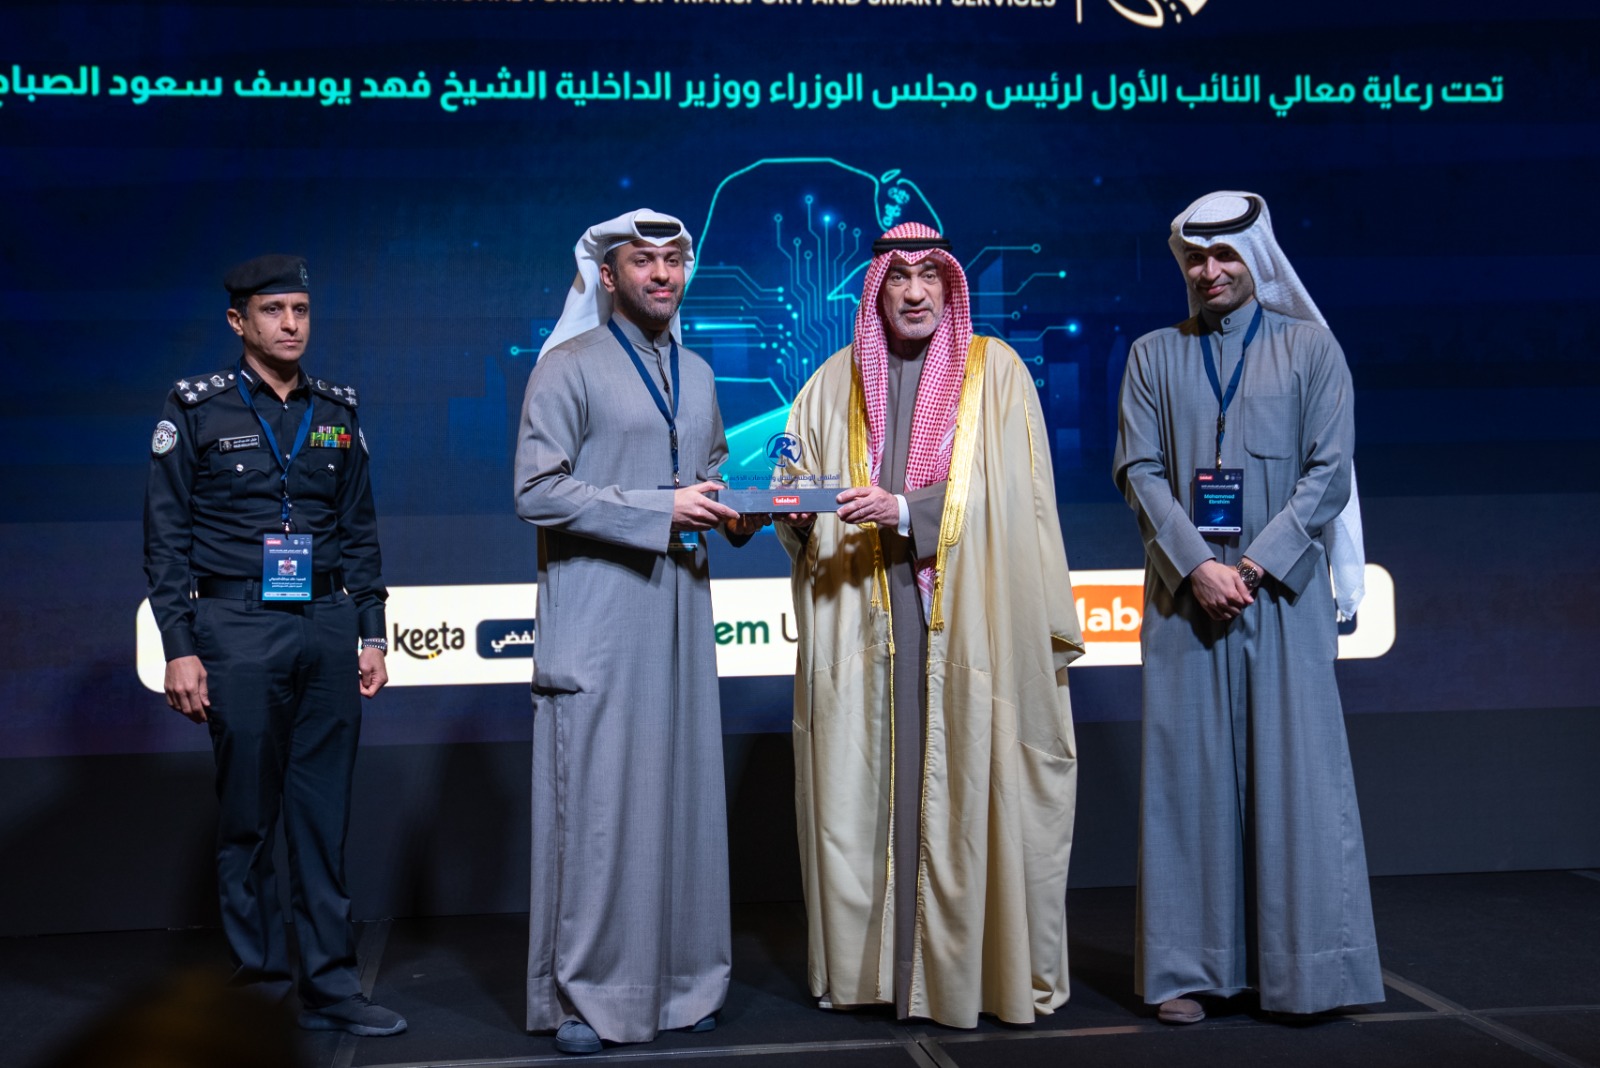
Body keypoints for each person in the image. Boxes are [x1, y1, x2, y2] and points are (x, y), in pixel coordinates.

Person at [775, 221, 1085, 1028]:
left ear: (951, 285)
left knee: (966, 782)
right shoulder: (831, 383)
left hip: (968, 617)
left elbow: (1015, 500)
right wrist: (791, 519)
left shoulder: (997, 374)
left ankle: (965, 977)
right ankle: (875, 975)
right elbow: (796, 488)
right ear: (874, 291)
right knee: (867, 792)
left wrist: (907, 509)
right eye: (897, 278)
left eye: (928, 276)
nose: (913, 292)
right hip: (863, 619)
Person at [1113, 191, 1384, 1024]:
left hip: (1284, 597)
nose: (1209, 271)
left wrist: (1256, 564)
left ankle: (1304, 972)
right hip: (1184, 600)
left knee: (1297, 782)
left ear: (1256, 258)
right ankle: (1187, 973)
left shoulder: (1311, 350)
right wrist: (1198, 566)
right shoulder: (1154, 355)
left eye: (1226, 255)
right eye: (1196, 258)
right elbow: (1138, 471)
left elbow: (1329, 472)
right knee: (1186, 784)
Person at [514, 209, 757, 1055]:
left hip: (682, 611)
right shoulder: (567, 365)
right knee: (602, 811)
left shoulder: (700, 371)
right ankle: (586, 998)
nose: (662, 274)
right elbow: (536, 491)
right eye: (643, 260)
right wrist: (662, 508)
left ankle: (684, 985)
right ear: (608, 276)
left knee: (685, 799)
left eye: (674, 260)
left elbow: (709, 476)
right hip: (599, 616)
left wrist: (738, 512)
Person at [143, 255, 404, 1037]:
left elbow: (359, 530)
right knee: (250, 821)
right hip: (237, 626)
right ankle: (258, 996)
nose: (291, 324)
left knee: (322, 819)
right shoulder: (195, 407)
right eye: (272, 311)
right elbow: (166, 541)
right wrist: (180, 646)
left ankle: (330, 988)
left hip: (326, 622)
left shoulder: (337, 409)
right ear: (238, 321)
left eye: (300, 310)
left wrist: (371, 631)